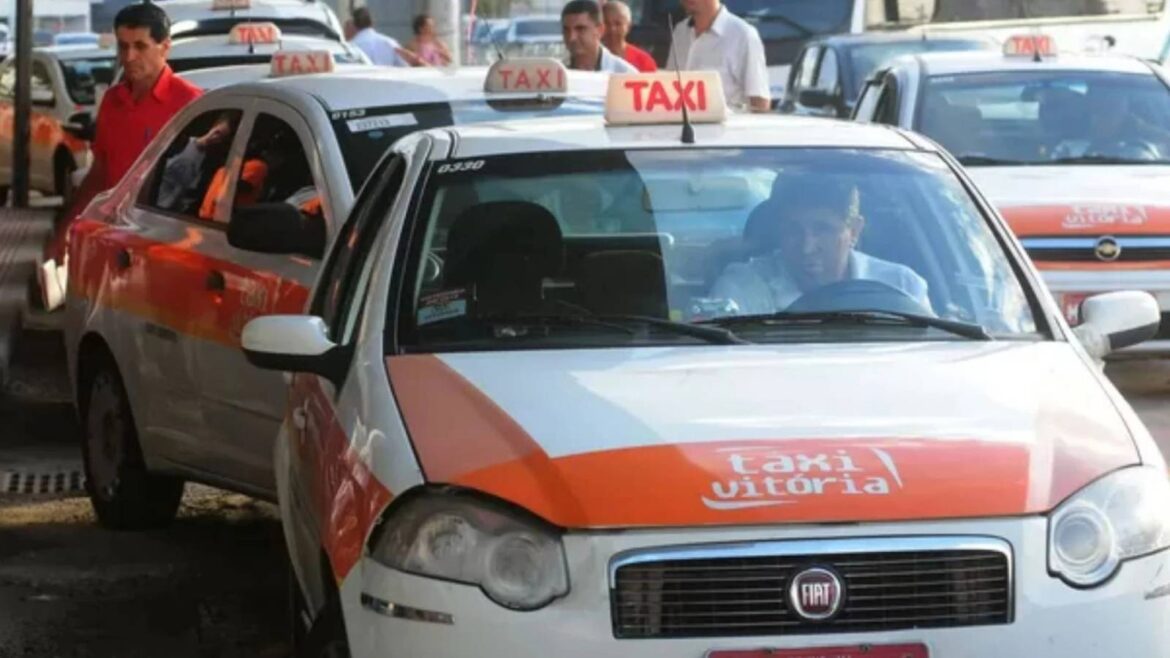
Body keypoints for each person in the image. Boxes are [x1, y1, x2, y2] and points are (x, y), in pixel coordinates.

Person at [61, 3, 202, 228]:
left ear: (165, 47)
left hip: (164, 235)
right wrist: (68, 225)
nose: (129, 56)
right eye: (123, 46)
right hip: (114, 231)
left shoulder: (191, 103)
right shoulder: (112, 100)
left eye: (140, 46)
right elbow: (100, 172)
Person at [710, 178, 931, 315]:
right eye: (793, 230)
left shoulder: (902, 288)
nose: (807, 247)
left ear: (854, 230)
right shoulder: (743, 289)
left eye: (823, 229)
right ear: (778, 229)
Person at [667, 0, 770, 112]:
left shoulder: (744, 35)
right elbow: (668, 85)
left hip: (727, 128)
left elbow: (760, 102)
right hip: (681, 127)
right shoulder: (680, 31)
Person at [157, 111, 237, 210]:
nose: (215, 138)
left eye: (220, 138)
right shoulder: (181, 144)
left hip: (172, 208)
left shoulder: (206, 162)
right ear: (212, 127)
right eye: (217, 132)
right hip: (155, 200)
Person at [562, 0, 637, 73]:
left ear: (600, 30)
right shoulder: (555, 72)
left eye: (581, 29)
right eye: (566, 30)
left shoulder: (624, 74)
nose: (571, 37)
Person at [349, 7, 422, 67]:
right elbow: (404, 67)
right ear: (372, 22)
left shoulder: (350, 47)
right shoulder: (390, 42)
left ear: (354, 25)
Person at [602, 1, 657, 72]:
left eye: (618, 24)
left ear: (628, 27)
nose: (612, 29)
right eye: (606, 23)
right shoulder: (589, 57)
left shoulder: (644, 61)